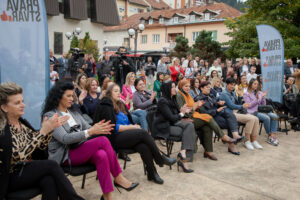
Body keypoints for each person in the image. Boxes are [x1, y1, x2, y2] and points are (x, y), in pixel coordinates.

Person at [42, 81, 138, 200]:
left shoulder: (73, 112)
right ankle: (118, 177)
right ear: (58, 96)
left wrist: (98, 127)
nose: (72, 98)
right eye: (68, 96)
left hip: (80, 148)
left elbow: (88, 126)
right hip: (65, 155)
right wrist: (91, 132)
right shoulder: (51, 115)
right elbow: (65, 138)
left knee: (101, 155)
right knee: (102, 140)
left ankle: (107, 197)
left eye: (72, 95)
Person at [0, 82, 84, 200]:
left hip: (24, 170)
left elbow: (39, 148)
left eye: (22, 101)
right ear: (4, 107)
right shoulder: (2, 130)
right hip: (8, 177)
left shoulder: (22, 124)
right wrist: (43, 132)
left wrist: (49, 130)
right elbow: (16, 156)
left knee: (49, 180)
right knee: (52, 165)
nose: (23, 105)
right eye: (17, 103)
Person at [93, 83, 176, 184]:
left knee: (143, 146)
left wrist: (132, 126)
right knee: (142, 133)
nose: (119, 93)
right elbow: (113, 128)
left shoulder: (120, 104)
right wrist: (133, 127)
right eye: (115, 91)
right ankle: (160, 158)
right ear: (109, 93)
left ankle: (152, 173)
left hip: (126, 135)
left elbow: (128, 121)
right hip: (113, 138)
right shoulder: (106, 106)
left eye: (119, 91)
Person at [176, 80, 236, 160]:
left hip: (194, 115)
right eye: (185, 86)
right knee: (208, 117)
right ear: (181, 86)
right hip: (187, 119)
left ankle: (208, 151)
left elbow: (192, 107)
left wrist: (197, 106)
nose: (188, 88)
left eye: (189, 86)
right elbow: (184, 113)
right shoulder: (179, 95)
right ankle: (223, 136)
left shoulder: (188, 95)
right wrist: (195, 107)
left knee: (207, 126)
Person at [152, 81, 196, 172]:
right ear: (167, 89)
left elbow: (175, 115)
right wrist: (182, 113)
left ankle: (183, 153)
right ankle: (183, 158)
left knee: (190, 126)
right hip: (164, 127)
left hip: (173, 124)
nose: (174, 89)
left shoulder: (173, 98)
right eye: (172, 87)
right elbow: (171, 118)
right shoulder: (162, 101)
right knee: (187, 130)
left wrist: (181, 111)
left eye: (174, 87)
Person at [199, 81, 244, 155]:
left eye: (209, 87)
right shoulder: (199, 98)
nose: (209, 89)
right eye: (207, 87)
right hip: (210, 118)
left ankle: (235, 136)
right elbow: (205, 113)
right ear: (201, 88)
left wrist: (218, 103)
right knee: (230, 122)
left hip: (218, 114)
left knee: (230, 115)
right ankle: (232, 145)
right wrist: (216, 110)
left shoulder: (211, 95)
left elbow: (214, 103)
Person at [219, 78, 261, 150]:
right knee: (251, 119)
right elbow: (231, 105)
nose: (232, 86)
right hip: (230, 114)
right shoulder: (224, 94)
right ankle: (247, 141)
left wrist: (239, 96)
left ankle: (254, 140)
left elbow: (238, 103)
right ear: (227, 85)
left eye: (234, 85)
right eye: (231, 85)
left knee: (256, 119)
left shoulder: (232, 92)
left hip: (236, 112)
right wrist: (242, 106)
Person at [244, 79, 279, 146]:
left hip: (261, 110)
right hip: (252, 112)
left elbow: (263, 105)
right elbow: (249, 106)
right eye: (254, 84)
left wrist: (263, 98)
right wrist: (257, 99)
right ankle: (269, 135)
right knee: (266, 118)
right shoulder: (246, 94)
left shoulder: (259, 92)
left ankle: (272, 135)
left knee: (274, 116)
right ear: (250, 84)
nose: (256, 85)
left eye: (257, 84)